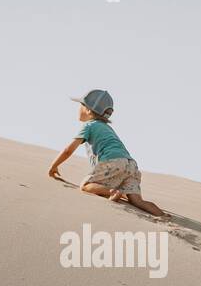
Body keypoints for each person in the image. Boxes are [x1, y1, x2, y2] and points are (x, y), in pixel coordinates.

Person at [47, 89, 169, 218]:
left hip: (113, 162)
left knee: (85, 185)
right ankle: (163, 216)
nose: (79, 108)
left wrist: (53, 166)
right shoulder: (107, 128)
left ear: (88, 110)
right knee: (137, 201)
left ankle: (112, 192)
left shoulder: (89, 126)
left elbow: (68, 150)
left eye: (81, 105)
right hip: (131, 165)